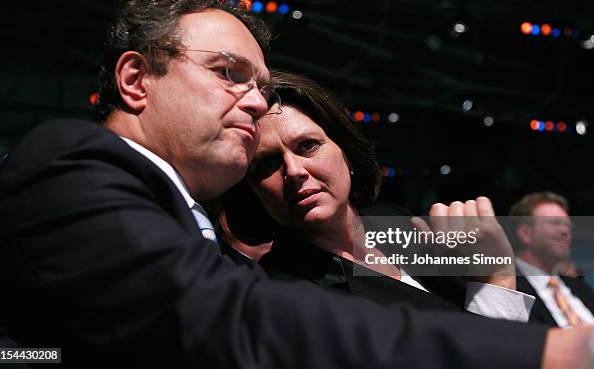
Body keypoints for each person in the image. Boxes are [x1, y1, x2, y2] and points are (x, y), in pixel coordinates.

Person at [0, 1, 594, 368]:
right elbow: (239, 323)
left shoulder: (398, 225)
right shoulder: (279, 274)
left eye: (309, 146)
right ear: (135, 79)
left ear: (346, 151)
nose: (254, 102)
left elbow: (533, 276)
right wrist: (509, 301)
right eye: (229, 74)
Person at [224, 70, 537, 319]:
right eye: (266, 163)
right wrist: (495, 277)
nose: (293, 170)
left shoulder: (391, 219)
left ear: (345, 152)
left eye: (308, 146)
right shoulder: (285, 295)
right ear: (251, 188)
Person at [510, 191, 594, 327]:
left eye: (568, 225)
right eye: (555, 222)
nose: (565, 231)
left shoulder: (580, 287)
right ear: (525, 233)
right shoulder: (507, 288)